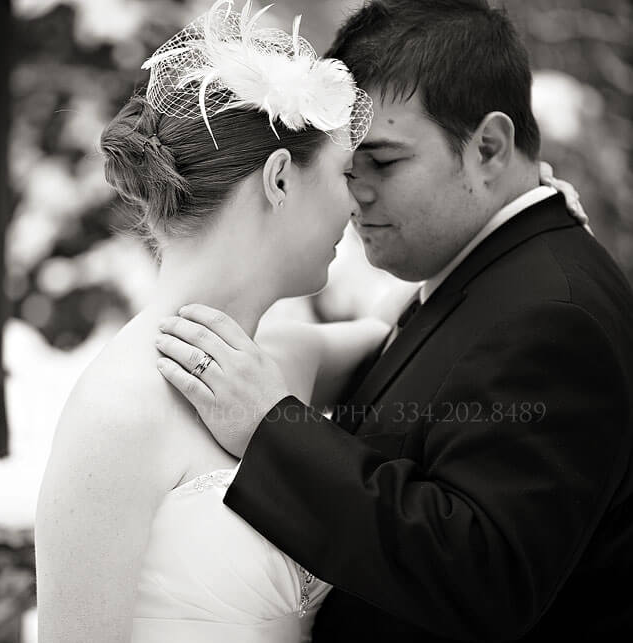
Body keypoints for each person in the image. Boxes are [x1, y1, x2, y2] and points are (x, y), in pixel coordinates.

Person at [155, 0, 633, 641]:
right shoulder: (487, 270)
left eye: (384, 161)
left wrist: (271, 431)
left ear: (488, 147)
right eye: (348, 164)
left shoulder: (552, 315)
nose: (355, 192)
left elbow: (483, 575)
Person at [34, 2, 390, 641]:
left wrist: (519, 218)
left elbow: (405, 332)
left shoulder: (280, 360)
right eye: (345, 172)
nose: (359, 200)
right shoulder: (118, 411)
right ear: (280, 180)